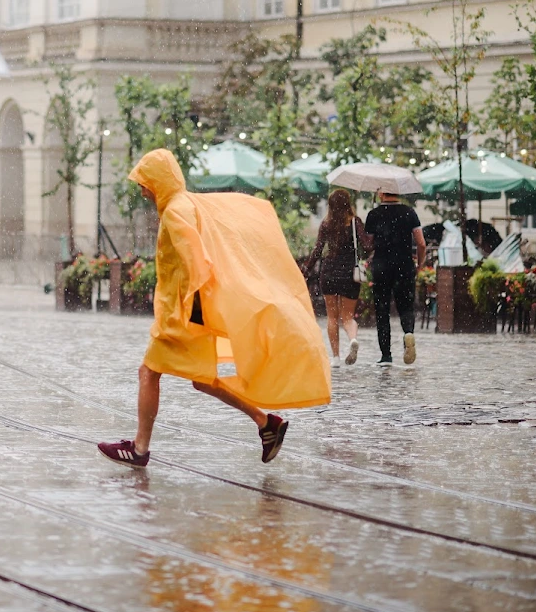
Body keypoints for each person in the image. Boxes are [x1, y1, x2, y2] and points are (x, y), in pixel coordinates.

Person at [97, 150, 330, 468]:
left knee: (148, 372)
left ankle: (140, 449)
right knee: (202, 379)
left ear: (157, 181)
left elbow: (196, 260)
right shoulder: (185, 203)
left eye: (144, 182)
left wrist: (190, 309)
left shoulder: (176, 212)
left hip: (184, 316)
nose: (141, 189)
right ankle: (265, 423)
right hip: (190, 312)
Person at [302, 189, 368, 366]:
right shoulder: (355, 223)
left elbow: (317, 250)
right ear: (348, 204)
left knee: (332, 317)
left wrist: (306, 269)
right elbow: (367, 245)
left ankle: (336, 358)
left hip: (329, 271)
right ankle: (353, 339)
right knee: (347, 316)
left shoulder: (326, 224)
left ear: (330, 205)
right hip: (349, 274)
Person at [363, 190, 426, 365]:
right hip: (404, 266)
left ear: (381, 193)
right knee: (406, 306)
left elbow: (368, 245)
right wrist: (419, 264)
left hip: (381, 267)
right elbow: (421, 243)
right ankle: (408, 334)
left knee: (382, 310)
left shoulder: (374, 214)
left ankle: (386, 355)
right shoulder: (409, 212)